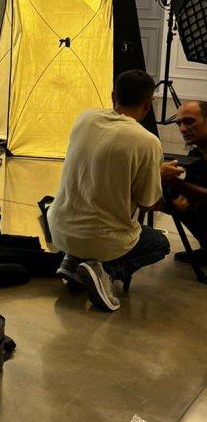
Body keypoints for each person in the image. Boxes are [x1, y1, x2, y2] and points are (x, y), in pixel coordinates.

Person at [47, 70, 175, 312]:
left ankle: (72, 262)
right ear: (148, 105)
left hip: (58, 228)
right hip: (100, 240)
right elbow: (147, 203)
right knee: (159, 243)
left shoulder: (84, 118)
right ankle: (105, 272)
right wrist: (159, 174)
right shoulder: (147, 141)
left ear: (113, 95)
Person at [166, 101, 207, 261]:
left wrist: (174, 182)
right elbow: (184, 200)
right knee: (172, 195)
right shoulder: (196, 154)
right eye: (179, 123)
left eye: (189, 121)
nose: (182, 129)